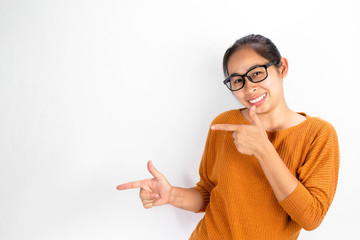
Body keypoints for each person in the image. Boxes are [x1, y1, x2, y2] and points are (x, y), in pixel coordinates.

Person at [116, 34, 340, 239]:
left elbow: (311, 218)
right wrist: (171, 195)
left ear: (282, 68)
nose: (249, 87)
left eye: (257, 73)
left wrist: (264, 151)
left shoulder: (318, 134)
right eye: (237, 81)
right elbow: (208, 194)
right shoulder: (225, 124)